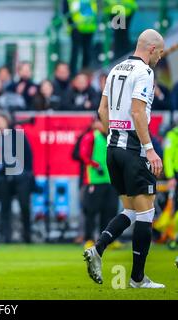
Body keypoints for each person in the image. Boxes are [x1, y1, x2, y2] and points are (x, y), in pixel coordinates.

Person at [84, 29, 165, 288]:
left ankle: (97, 249)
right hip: (133, 150)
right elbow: (138, 111)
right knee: (146, 212)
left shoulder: (116, 69)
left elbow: (101, 109)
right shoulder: (144, 72)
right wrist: (149, 149)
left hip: (113, 148)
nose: (160, 59)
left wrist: (114, 136)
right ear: (152, 49)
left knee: (131, 210)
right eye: (160, 53)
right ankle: (137, 279)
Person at [0, 110, 34, 243]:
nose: (0, 124)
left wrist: (26, 173)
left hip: (20, 177)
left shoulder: (17, 135)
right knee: (5, 208)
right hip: (3, 177)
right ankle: (6, 237)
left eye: (1, 120)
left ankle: (27, 236)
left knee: (24, 207)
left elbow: (28, 155)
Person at [79, 116, 119, 249]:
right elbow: (83, 155)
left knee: (110, 211)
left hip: (110, 180)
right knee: (91, 211)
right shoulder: (91, 137)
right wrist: (96, 166)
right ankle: (89, 239)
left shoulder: (112, 137)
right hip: (94, 180)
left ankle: (107, 240)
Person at [64, 0, 98, 74]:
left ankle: (85, 74)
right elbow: (66, 11)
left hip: (89, 27)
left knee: (87, 52)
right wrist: (72, 24)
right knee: (75, 53)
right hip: (76, 28)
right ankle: (73, 74)